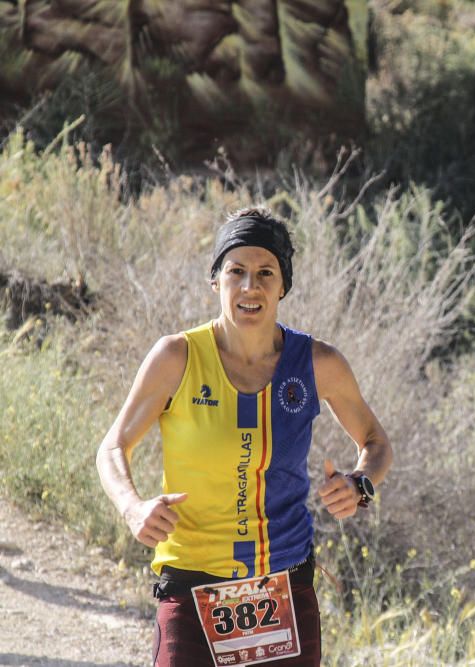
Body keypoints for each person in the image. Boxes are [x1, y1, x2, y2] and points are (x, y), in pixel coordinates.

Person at [96, 207, 392, 666]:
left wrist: (360, 484)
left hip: (284, 587)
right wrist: (132, 507)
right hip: (192, 587)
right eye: (236, 272)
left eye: (265, 273)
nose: (250, 287)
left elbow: (375, 441)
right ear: (215, 281)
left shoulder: (317, 363)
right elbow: (113, 446)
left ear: (283, 286)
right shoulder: (177, 356)